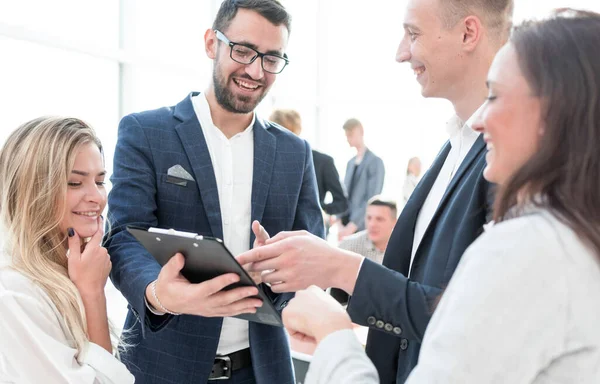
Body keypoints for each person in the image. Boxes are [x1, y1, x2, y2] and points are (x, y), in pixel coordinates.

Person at [281, 9, 600, 383]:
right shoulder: (572, 232)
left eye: (496, 95)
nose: (482, 120)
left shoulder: (527, 246)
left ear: (551, 113)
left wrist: (332, 332)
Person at [237, 0, 513, 381]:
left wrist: (337, 270)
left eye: (412, 34)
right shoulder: (454, 145)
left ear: (468, 33)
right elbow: (418, 290)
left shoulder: (509, 161)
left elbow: (466, 317)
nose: (401, 53)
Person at [105, 1, 324, 383]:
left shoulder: (294, 152)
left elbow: (312, 245)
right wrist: (160, 293)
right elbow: (124, 236)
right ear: (212, 43)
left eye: (271, 59)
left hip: (260, 369)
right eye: (243, 51)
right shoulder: (146, 132)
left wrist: (280, 272)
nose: (255, 71)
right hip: (163, 366)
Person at [0, 117, 133, 383]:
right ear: (32, 189)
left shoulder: (67, 271)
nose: (97, 196)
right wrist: (93, 295)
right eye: (75, 183)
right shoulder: (14, 292)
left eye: (100, 181)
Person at [269, 109, 348, 217]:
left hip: (309, 229)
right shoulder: (269, 161)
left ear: (296, 131)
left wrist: (317, 209)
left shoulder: (322, 161)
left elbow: (342, 203)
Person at [331, 196, 397, 304]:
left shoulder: (404, 250)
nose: (372, 224)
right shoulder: (347, 247)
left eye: (379, 219)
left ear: (395, 222)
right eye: (369, 218)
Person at [338, 118, 385, 239]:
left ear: (361, 132)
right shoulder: (350, 163)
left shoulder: (375, 162)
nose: (348, 139)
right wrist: (339, 221)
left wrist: (352, 225)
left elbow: (372, 198)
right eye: (346, 135)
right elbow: (344, 194)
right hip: (345, 224)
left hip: (361, 227)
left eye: (351, 134)